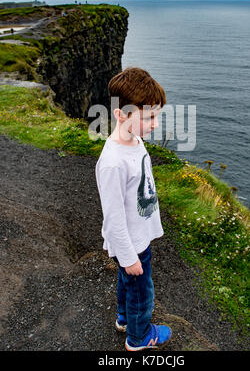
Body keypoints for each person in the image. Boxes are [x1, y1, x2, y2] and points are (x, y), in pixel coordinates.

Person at [95, 67, 172, 351]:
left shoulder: (135, 140)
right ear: (120, 115)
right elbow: (113, 219)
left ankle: (125, 319)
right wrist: (128, 257)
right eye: (149, 117)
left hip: (137, 237)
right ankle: (139, 337)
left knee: (128, 283)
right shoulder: (113, 162)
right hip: (131, 243)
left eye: (157, 115)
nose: (155, 123)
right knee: (142, 290)